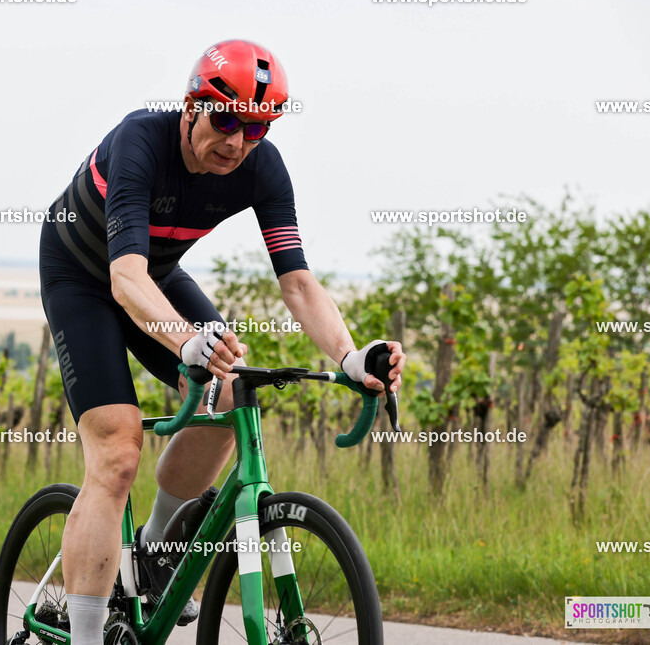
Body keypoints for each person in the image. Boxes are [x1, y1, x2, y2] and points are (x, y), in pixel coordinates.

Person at [38, 39, 407, 644]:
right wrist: (185, 341)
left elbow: (298, 284)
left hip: (153, 275)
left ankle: (155, 552)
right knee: (118, 453)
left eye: (256, 128)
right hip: (84, 277)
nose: (237, 141)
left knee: (232, 390)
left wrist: (349, 355)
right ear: (190, 106)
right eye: (226, 119)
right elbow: (123, 279)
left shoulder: (261, 167)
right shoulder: (140, 143)